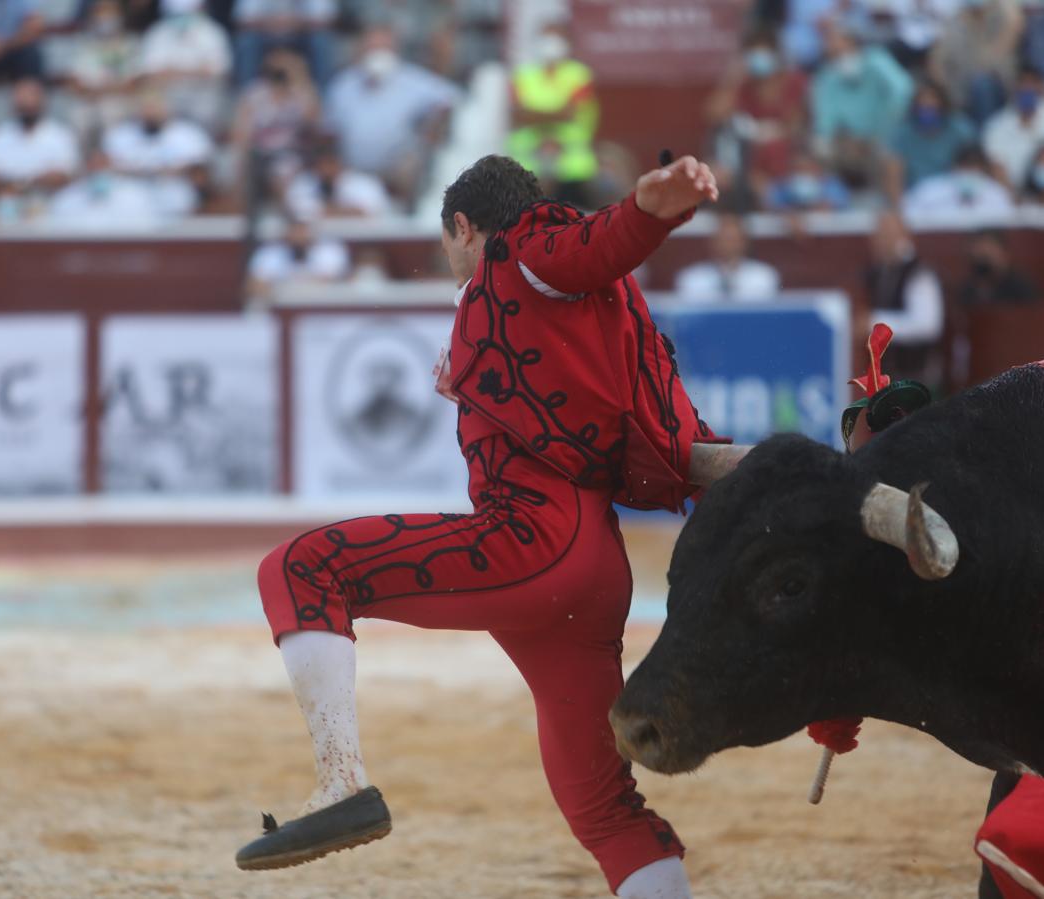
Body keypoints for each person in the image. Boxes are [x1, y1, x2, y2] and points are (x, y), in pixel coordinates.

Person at [236, 152, 722, 899]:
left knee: (299, 569)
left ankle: (339, 782)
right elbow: (636, 408)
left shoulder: (522, 249)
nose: (454, 263)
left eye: (449, 246)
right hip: (593, 568)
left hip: (534, 544)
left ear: (464, 226)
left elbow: (597, 241)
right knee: (600, 805)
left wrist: (651, 208)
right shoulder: (584, 307)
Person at [323, 25, 460, 209]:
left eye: (383, 48)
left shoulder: (414, 81)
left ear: (395, 50)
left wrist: (433, 125)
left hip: (398, 171)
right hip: (352, 172)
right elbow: (329, 131)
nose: (377, 55)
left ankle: (409, 213)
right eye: (372, 48)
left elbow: (453, 99)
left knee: (415, 163)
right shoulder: (343, 85)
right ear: (360, 50)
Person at [810, 20, 913, 190]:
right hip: (848, 141)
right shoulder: (827, 75)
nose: (830, 45)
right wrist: (833, 139)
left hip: (884, 136)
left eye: (834, 40)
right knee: (822, 152)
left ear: (850, 41)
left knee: (891, 154)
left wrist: (880, 130)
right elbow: (825, 118)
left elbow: (902, 90)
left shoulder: (876, 60)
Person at [704, 31, 806, 200]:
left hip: (785, 156)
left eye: (764, 53)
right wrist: (733, 78)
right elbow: (712, 114)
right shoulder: (743, 85)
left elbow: (796, 125)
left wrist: (772, 132)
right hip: (748, 163)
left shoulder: (793, 82)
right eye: (754, 55)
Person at [507, 23, 599, 208]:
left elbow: (570, 113)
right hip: (527, 165)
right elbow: (518, 116)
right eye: (546, 38)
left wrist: (533, 115)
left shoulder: (579, 75)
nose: (551, 44)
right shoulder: (522, 75)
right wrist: (556, 114)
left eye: (556, 38)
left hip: (572, 167)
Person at [228, 46, 319, 214]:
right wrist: (240, 168)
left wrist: (297, 78)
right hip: (261, 155)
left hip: (296, 154)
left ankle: (289, 216)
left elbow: (313, 121)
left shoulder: (301, 92)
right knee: (269, 168)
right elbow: (241, 134)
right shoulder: (255, 93)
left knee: (285, 169)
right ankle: (285, 215)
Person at [0, 78, 81, 223]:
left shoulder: (60, 135)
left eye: (31, 98)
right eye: (21, 100)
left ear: (42, 101)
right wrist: (32, 182)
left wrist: (18, 184)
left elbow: (62, 178)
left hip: (52, 208)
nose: (26, 104)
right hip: (8, 208)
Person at [863, 210, 943, 386]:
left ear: (904, 236)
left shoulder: (920, 273)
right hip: (888, 379)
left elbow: (927, 326)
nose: (881, 241)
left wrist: (873, 323)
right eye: (879, 235)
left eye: (888, 235)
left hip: (917, 378)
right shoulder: (878, 273)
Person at [103, 88, 212, 217]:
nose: (151, 113)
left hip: (176, 196)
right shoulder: (120, 134)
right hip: (130, 199)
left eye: (156, 108)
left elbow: (201, 173)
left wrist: (178, 171)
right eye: (146, 108)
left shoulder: (189, 134)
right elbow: (105, 167)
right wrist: (144, 172)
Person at [982, 64, 1044, 187]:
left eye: (1033, 83)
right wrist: (1014, 199)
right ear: (1014, 87)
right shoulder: (996, 125)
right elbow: (995, 166)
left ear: (1042, 86)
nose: (1027, 88)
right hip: (1011, 197)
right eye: (1023, 83)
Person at [138, 0, 231, 132]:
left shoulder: (213, 32)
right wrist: (196, 72)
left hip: (203, 94)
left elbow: (219, 72)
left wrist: (173, 72)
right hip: (168, 95)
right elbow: (151, 74)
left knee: (211, 103)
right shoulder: (157, 33)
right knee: (150, 98)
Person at [928, 0, 1024, 124]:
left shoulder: (1002, 16)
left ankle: (984, 136)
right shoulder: (957, 21)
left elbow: (1015, 23)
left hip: (998, 89)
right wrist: (943, 86)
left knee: (981, 83)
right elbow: (938, 59)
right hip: (960, 92)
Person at [885, 79, 975, 201]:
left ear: (942, 105)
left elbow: (974, 164)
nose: (927, 110)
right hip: (916, 197)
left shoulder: (959, 129)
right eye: (923, 106)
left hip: (954, 194)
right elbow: (894, 171)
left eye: (931, 106)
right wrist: (900, 209)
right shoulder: (903, 133)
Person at [66, 0, 141, 142]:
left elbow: (134, 84)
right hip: (90, 100)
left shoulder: (131, 44)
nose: (105, 18)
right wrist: (101, 90)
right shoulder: (83, 44)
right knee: (78, 115)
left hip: (122, 101)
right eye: (100, 12)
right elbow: (74, 83)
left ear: (120, 16)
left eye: (110, 12)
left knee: (110, 111)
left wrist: (102, 90)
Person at [673, 213, 780, 304]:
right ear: (712, 242)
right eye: (724, 239)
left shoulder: (763, 276)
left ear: (744, 243)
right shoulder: (692, 278)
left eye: (733, 239)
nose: (728, 245)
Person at [232, 0, 337, 89]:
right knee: (247, 41)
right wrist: (274, 22)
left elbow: (325, 18)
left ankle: (322, 96)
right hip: (265, 34)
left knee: (321, 40)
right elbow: (243, 18)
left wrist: (293, 22)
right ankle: (247, 95)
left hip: (302, 34)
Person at [49, 147, 163, 228]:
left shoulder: (136, 197)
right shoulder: (66, 199)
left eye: (103, 165)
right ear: (85, 168)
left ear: (112, 167)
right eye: (94, 166)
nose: (99, 171)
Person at [283, 136, 391, 220]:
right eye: (320, 165)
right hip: (316, 241)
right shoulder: (303, 182)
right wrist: (346, 212)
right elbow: (297, 210)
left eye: (330, 164)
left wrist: (325, 211)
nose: (325, 170)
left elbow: (372, 210)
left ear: (339, 163)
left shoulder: (364, 182)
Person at [245, 218, 349, 303]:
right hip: (280, 310)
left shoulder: (330, 250)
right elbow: (252, 286)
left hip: (322, 311)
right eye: (295, 230)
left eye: (302, 230)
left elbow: (339, 283)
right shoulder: (269, 253)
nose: (299, 236)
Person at [902, 143, 1014, 217]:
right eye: (965, 167)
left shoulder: (996, 194)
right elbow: (909, 215)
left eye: (974, 168)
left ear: (983, 171)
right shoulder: (928, 191)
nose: (969, 174)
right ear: (954, 168)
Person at [957, 229, 1039, 306]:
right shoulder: (966, 289)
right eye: (979, 253)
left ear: (1004, 254)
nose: (982, 257)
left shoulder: (1020, 287)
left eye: (989, 251)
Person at [764, 148, 852, 211]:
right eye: (797, 169)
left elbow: (841, 203)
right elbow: (772, 205)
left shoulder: (832, 184)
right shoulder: (782, 185)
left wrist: (822, 205)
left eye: (806, 168)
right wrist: (789, 212)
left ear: (816, 168)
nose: (802, 173)